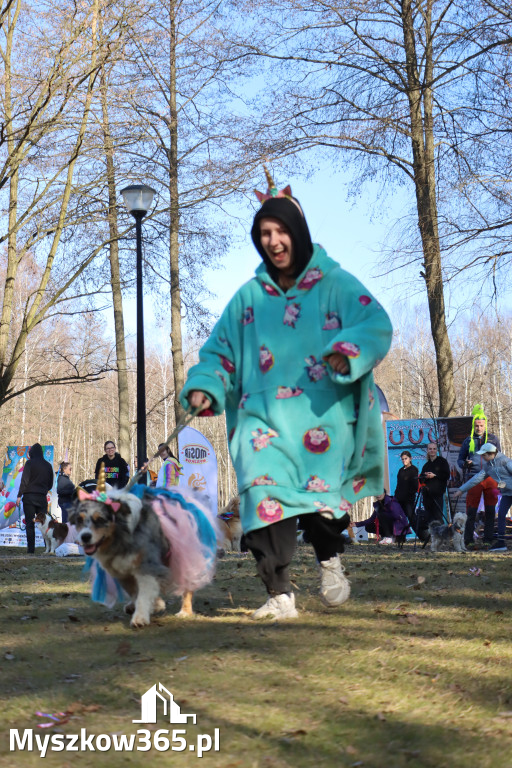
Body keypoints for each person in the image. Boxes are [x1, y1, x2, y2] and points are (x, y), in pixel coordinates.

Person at [180, 170, 393, 620]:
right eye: (264, 233)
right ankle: (279, 595)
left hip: (322, 416)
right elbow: (219, 350)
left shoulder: (336, 283)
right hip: (262, 420)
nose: (273, 241)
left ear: (296, 233)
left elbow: (375, 324)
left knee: (320, 503)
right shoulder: (248, 298)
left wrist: (346, 352)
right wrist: (205, 384)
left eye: (279, 231)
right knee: (263, 499)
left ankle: (330, 558)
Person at [454, 443, 511, 553]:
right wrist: (462, 489)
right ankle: (501, 542)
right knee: (501, 515)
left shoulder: (505, 461)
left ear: (490, 454)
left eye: (484, 455)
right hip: (507, 494)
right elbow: (476, 478)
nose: (482, 457)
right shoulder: (488, 466)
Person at [457, 405, 501, 549]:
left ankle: (488, 539)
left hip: (491, 479)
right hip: (473, 478)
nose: (479, 428)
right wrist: (465, 464)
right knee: (471, 511)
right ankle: (468, 540)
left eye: (481, 425)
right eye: (477, 426)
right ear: (473, 425)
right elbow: (459, 460)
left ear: (485, 425)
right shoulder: (467, 440)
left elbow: (499, 457)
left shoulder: (493, 439)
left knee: (490, 511)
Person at [16, 443, 54, 554]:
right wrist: (43, 489)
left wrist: (19, 495)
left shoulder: (29, 463)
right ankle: (48, 548)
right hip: (42, 498)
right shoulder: (48, 465)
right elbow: (50, 484)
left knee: (29, 524)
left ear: (32, 453)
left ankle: (31, 550)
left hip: (28, 498)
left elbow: (24, 481)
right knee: (45, 523)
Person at [419, 443, 450, 529]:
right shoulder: (426, 465)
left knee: (438, 516)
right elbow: (421, 479)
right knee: (429, 517)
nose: (432, 450)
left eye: (434, 449)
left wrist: (435, 475)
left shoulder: (442, 462)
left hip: (437, 494)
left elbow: (446, 475)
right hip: (427, 495)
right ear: (427, 450)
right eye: (430, 449)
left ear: (436, 450)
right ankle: (432, 537)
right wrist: (425, 476)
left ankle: (442, 536)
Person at [394, 451, 419, 526]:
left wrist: (409, 495)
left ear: (410, 459)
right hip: (399, 499)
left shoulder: (413, 469)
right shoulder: (401, 470)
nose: (404, 460)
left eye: (406, 458)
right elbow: (399, 484)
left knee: (412, 518)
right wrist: (396, 496)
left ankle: (422, 535)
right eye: (402, 459)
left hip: (409, 500)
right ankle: (401, 537)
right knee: (400, 519)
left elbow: (415, 485)